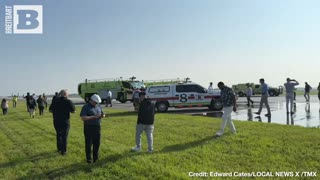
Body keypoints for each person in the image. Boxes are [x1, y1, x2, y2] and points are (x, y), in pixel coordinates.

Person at [80, 94, 105, 163]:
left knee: (97, 143)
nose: (96, 104)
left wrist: (103, 115)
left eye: (97, 103)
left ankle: (95, 158)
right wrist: (94, 117)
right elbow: (83, 117)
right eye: (95, 102)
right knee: (88, 144)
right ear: (91, 100)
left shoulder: (98, 106)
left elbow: (103, 113)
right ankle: (89, 159)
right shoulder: (86, 107)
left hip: (97, 127)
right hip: (89, 127)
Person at [49, 89, 75, 155]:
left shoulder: (55, 101)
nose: (68, 95)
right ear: (65, 94)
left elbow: (50, 110)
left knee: (58, 134)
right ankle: (64, 151)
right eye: (67, 94)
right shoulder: (68, 101)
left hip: (56, 120)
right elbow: (73, 111)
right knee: (64, 136)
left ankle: (59, 148)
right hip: (65, 121)